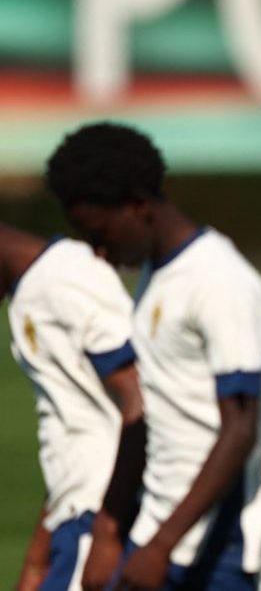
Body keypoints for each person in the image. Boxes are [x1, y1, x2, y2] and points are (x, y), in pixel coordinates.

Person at [45, 123, 261, 591]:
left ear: (138, 205)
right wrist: (111, 531)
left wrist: (160, 545)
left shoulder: (218, 279)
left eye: (98, 233)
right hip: (167, 538)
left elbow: (241, 424)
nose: (100, 253)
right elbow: (177, 401)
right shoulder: (156, 277)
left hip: (236, 554)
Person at [2, 223, 145, 591]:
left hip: (98, 520)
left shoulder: (66, 279)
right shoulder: (36, 286)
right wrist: (38, 559)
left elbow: (142, 399)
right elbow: (75, 427)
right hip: (76, 519)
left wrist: (106, 534)